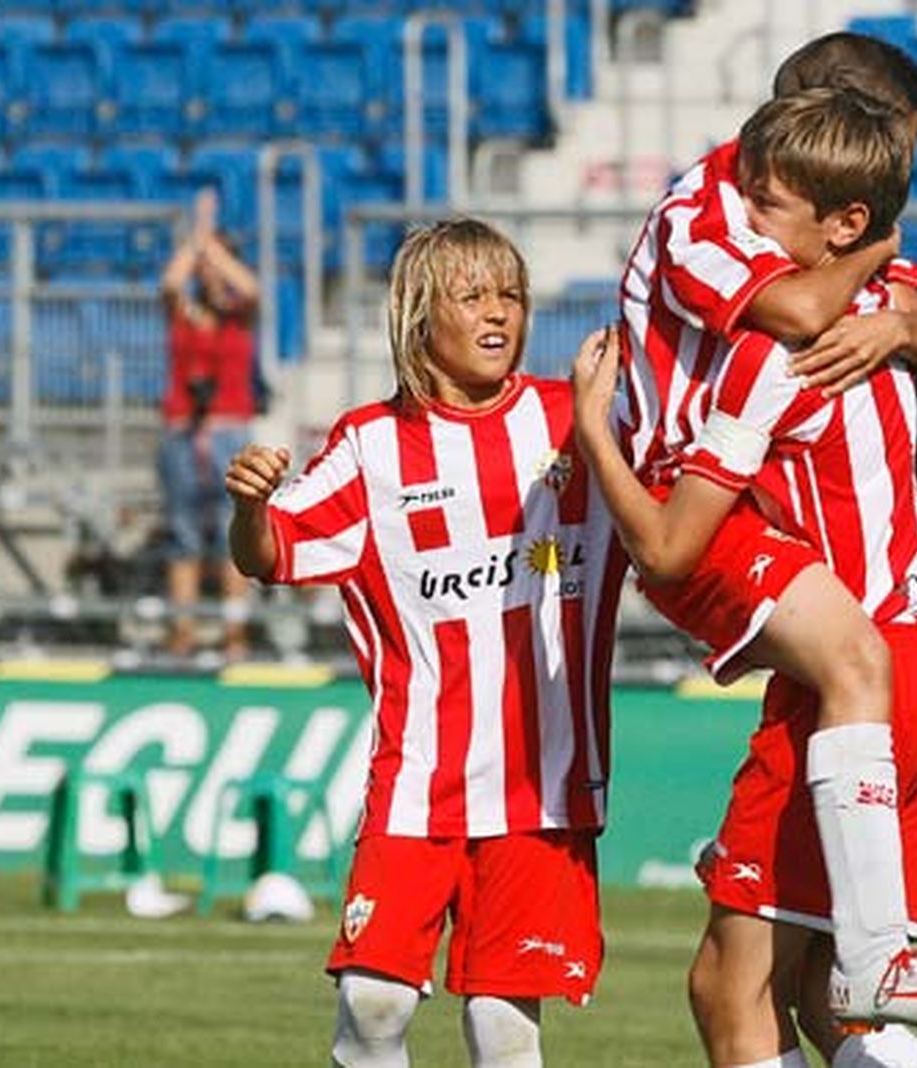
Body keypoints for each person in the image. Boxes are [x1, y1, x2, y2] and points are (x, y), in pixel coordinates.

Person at [580, 87, 917, 1068]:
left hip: (860, 688)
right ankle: (878, 955)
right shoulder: (893, 321)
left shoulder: (777, 352)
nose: (744, 217)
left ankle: (880, 955)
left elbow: (670, 549)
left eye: (765, 207)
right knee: (816, 999)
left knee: (739, 994)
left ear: (843, 221)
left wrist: (595, 433)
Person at [224, 219, 626, 1068]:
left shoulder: (577, 421)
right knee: (373, 1002)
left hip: (541, 787)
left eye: (510, 294)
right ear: (418, 316)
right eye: (472, 294)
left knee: (505, 1025)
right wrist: (251, 507)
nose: (499, 313)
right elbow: (269, 554)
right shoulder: (369, 445)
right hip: (418, 782)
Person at [158, 187, 260, 661]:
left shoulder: (239, 317)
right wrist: (196, 241)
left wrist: (213, 249)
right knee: (182, 534)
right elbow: (170, 284)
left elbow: (250, 287)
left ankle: (233, 632)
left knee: (231, 532)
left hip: (227, 430)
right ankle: (183, 631)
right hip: (183, 429)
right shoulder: (186, 315)